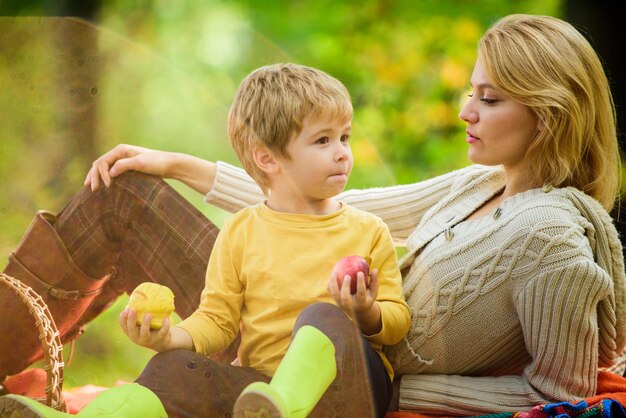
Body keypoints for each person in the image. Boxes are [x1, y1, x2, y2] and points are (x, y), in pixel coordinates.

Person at [0, 12, 624, 417]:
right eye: (471, 92)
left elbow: (558, 396)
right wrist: (183, 165)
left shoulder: (552, 242)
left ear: (549, 115)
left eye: (488, 99)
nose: (466, 111)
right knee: (131, 187)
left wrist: (395, 387)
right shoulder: (481, 182)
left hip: (340, 359)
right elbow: (331, 208)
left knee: (123, 200)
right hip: (288, 318)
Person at [1, 63, 410, 418]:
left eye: (345, 137)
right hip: (258, 390)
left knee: (323, 317)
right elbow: (216, 321)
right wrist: (167, 338)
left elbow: (396, 323)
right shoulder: (242, 231)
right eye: (323, 140)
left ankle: (279, 406)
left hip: (351, 391)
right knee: (172, 367)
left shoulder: (367, 230)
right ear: (267, 158)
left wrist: (366, 311)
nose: (342, 153)